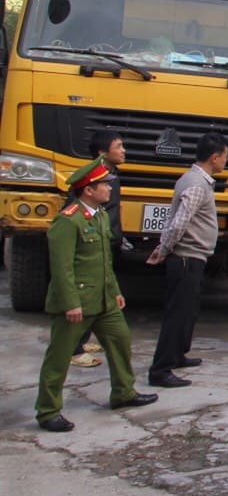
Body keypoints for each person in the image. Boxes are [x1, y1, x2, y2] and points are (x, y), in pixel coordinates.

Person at [34, 159, 158, 432]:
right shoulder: (68, 221)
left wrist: (114, 292)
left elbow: (104, 261)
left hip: (103, 300)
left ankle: (123, 392)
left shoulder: (100, 215)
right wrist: (70, 303)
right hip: (77, 303)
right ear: (88, 190)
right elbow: (62, 268)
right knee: (59, 357)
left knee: (120, 340)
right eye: (104, 185)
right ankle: (48, 410)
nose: (109, 189)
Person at [146, 132, 228, 386]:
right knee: (178, 314)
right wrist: (163, 249)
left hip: (193, 257)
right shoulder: (196, 184)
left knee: (188, 311)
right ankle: (161, 370)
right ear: (214, 158)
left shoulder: (194, 179)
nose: (225, 162)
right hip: (186, 257)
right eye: (224, 157)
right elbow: (179, 222)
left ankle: (178, 354)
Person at [69, 129, 127, 369]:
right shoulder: (92, 178)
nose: (123, 151)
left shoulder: (111, 175)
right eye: (118, 146)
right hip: (92, 245)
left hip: (106, 241)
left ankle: (82, 341)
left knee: (99, 298)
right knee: (86, 297)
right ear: (103, 153)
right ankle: (73, 349)